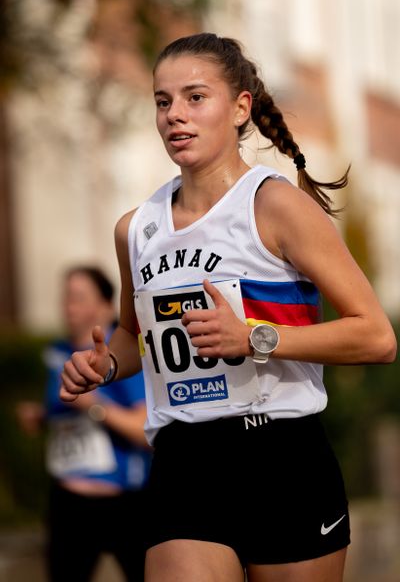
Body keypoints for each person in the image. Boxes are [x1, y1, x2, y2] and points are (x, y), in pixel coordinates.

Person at [59, 33, 397, 582]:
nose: (175, 116)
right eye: (163, 102)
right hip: (184, 461)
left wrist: (254, 337)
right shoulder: (136, 228)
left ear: (240, 107)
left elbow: (377, 337)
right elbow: (132, 332)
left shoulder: (276, 205)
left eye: (195, 97)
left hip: (282, 460)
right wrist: (105, 365)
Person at [17, 265, 151, 582]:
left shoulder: (122, 357)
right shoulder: (58, 352)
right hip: (67, 498)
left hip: (123, 501)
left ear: (106, 305)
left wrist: (94, 408)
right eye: (65, 298)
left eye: (78, 298)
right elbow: (69, 409)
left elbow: (145, 430)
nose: (68, 306)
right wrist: (44, 415)